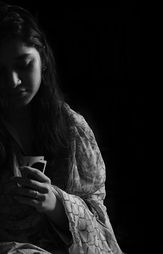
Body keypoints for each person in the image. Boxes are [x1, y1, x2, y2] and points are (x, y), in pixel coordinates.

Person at [0, 2, 124, 254]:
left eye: (23, 65)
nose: (13, 81)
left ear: (43, 60)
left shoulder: (72, 128)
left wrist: (56, 203)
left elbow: (98, 214)